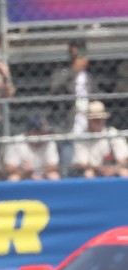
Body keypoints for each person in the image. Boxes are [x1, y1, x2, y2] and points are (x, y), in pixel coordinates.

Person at [50, 40, 103, 177]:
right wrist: (74, 70)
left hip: (87, 129)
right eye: (75, 55)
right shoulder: (62, 73)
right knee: (67, 169)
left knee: (89, 169)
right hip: (69, 129)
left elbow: (96, 98)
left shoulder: (89, 78)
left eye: (81, 54)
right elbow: (54, 89)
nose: (79, 58)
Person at [73, 101, 128, 178]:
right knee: (89, 174)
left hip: (114, 169)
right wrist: (101, 169)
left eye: (100, 119)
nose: (98, 122)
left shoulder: (112, 133)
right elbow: (82, 163)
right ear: (88, 120)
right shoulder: (83, 137)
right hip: (94, 170)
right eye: (94, 119)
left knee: (125, 173)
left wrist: (114, 169)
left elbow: (123, 158)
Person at [3, 115, 60, 181]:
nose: (46, 134)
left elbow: (54, 166)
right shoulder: (16, 141)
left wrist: (34, 174)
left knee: (54, 176)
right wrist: (22, 169)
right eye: (42, 132)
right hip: (22, 174)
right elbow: (9, 167)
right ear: (33, 132)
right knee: (13, 178)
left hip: (42, 174)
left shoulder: (49, 142)